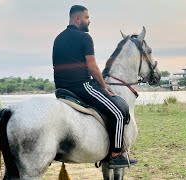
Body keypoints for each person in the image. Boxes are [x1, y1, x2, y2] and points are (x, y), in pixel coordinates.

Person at [52, 5, 137, 168]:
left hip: (61, 89)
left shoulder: (59, 38)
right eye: (87, 18)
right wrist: (104, 87)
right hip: (81, 87)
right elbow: (92, 67)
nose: (89, 21)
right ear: (77, 19)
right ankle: (115, 155)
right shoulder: (84, 38)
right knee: (119, 112)